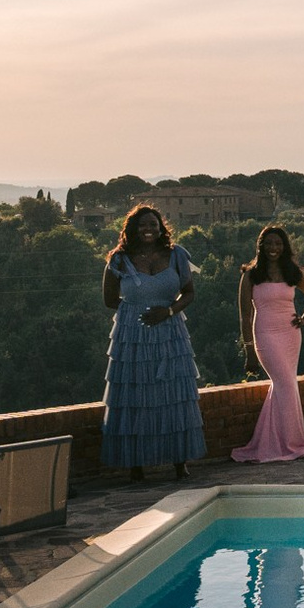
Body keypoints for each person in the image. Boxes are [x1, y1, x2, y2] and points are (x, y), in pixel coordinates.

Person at [101, 205, 206, 481]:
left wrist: (168, 310)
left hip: (170, 331)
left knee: (173, 394)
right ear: (132, 228)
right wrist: (135, 308)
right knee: (134, 396)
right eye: (143, 225)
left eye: (153, 225)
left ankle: (179, 461)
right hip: (132, 336)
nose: (148, 229)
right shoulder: (118, 260)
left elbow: (189, 292)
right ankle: (136, 464)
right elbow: (109, 299)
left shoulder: (176, 255)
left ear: (161, 228)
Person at [233, 225, 304, 463]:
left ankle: (279, 443)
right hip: (265, 334)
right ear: (261, 246)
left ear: (284, 247)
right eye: (269, 243)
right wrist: (249, 350)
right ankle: (292, 445)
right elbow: (244, 316)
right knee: (284, 384)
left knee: (285, 385)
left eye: (278, 244)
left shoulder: (291, 271)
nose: (274, 248)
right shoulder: (250, 274)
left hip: (290, 334)